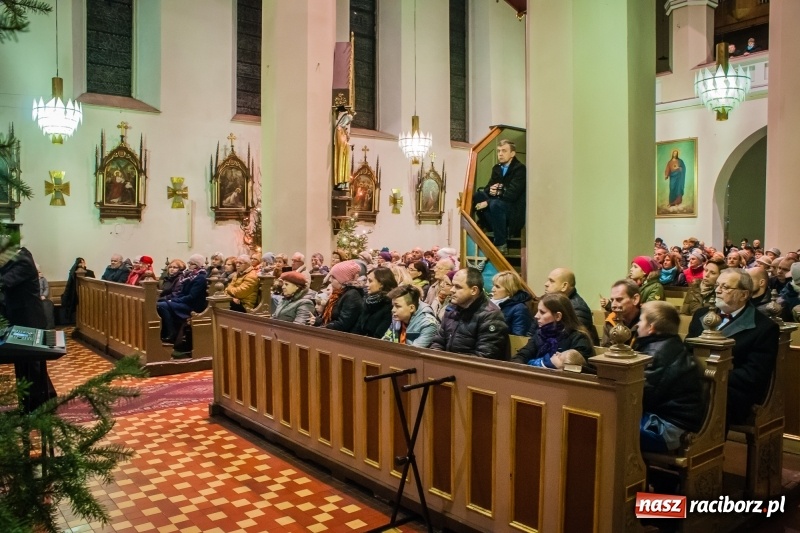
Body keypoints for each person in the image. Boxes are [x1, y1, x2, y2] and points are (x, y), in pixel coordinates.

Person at [687, 269, 779, 425]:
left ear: (744, 294)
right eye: (717, 285)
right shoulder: (700, 315)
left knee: (701, 399)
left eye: (726, 287)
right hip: (695, 382)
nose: (717, 290)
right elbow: (686, 351)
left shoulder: (764, 327)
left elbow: (754, 376)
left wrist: (711, 376)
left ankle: (704, 446)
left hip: (734, 391)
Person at [635, 301, 705, 452]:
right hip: (667, 419)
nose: (637, 325)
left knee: (609, 429)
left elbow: (640, 397)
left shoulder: (657, 354)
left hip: (669, 428)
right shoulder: (668, 345)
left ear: (651, 328)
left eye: (641, 320)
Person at [0, 247, 56, 412]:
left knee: (33, 366)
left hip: (29, 321)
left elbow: (4, 282)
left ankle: (41, 405)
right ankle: (30, 403)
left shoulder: (23, 259)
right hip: (19, 321)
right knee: (23, 365)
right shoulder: (13, 259)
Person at [430, 267, 510, 360]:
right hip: (449, 366)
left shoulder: (491, 316)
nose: (452, 290)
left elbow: (485, 357)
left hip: (474, 371)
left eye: (458, 287)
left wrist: (450, 362)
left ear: (474, 290)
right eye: (452, 285)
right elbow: (438, 342)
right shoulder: (451, 309)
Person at [511, 293, 594, 368]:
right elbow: (521, 356)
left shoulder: (579, 338)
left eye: (542, 312)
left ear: (558, 316)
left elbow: (580, 370)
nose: (536, 316)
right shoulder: (540, 334)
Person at [472, 139, 526, 254]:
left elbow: (512, 194)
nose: (500, 154)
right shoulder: (496, 168)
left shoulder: (520, 169)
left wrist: (489, 200)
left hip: (512, 210)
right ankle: (490, 227)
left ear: (512, 153)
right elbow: (488, 188)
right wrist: (490, 190)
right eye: (498, 151)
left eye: (504, 151)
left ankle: (501, 243)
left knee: (495, 203)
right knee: (478, 195)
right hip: (497, 205)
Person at [156, 254, 208, 345]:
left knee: (162, 306)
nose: (189, 265)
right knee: (161, 303)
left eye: (191, 264)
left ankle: (172, 333)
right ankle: (165, 332)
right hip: (184, 302)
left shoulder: (200, 278)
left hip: (192, 305)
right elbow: (182, 293)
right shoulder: (188, 276)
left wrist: (174, 300)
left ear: (197, 265)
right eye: (189, 263)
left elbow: (192, 296)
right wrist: (174, 299)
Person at [542, 267, 599, 345]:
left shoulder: (578, 308)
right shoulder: (546, 304)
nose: (546, 284)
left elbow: (569, 339)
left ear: (564, 286)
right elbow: (533, 334)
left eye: (552, 281)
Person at [314, 260, 364, 332]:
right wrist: (317, 321)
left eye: (334, 278)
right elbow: (329, 318)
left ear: (343, 280)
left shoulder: (352, 295)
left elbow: (343, 325)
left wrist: (322, 326)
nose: (330, 280)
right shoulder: (338, 293)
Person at [352, 267, 397, 338]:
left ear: (382, 283)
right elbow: (357, 327)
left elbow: (379, 336)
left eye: (370, 281)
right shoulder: (368, 301)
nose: (366, 284)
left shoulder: (389, 305)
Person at [490, 270, 533, 336]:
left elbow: (519, 338)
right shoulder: (490, 304)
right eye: (493, 285)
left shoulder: (520, 309)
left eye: (497, 287)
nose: (492, 289)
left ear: (509, 291)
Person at [601, 280, 641, 347]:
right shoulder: (610, 322)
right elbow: (604, 352)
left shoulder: (648, 324)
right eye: (612, 300)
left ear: (635, 299)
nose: (613, 305)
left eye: (619, 299)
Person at [61, 257, 96, 323]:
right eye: (79, 262)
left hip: (88, 294)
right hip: (76, 295)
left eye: (82, 262)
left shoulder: (90, 272)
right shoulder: (73, 273)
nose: (81, 264)